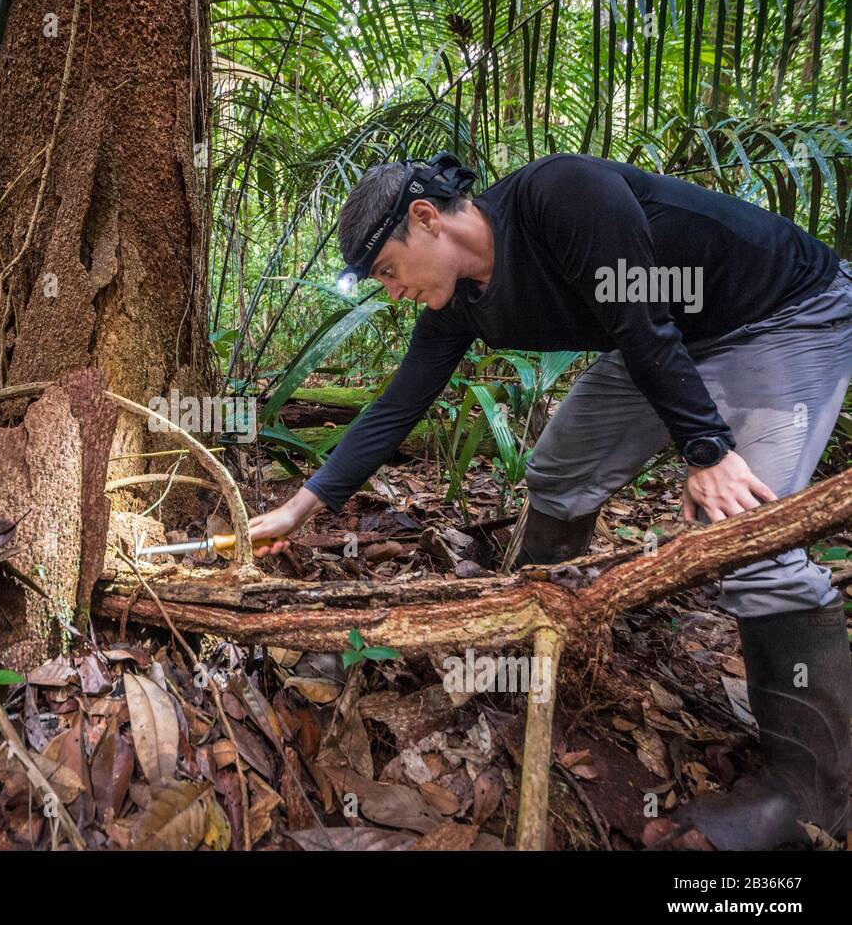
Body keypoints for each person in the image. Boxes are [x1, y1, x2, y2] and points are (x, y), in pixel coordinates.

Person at [247, 151, 852, 849]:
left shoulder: (560, 196)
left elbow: (639, 317)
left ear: (425, 219)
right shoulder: (461, 305)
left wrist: (708, 451)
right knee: (558, 471)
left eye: (387, 270)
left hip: (779, 313)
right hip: (661, 336)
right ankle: (532, 626)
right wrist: (300, 508)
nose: (392, 291)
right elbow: (397, 406)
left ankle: (812, 794)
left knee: (753, 538)